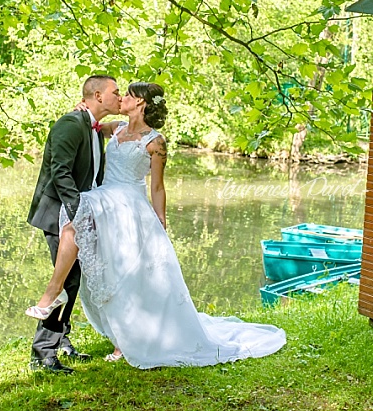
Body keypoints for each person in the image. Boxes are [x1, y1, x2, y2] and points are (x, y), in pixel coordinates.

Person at [27, 82, 286, 369]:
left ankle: (99, 334)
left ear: (140, 103)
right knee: (101, 262)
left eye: (127, 95)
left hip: (130, 206)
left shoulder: (155, 142)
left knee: (127, 273)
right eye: (118, 93)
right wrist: (82, 107)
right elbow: (91, 123)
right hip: (106, 200)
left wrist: (160, 220)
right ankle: (61, 312)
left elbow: (158, 187)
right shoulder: (114, 128)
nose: (122, 98)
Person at [25, 74, 121, 374]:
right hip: (59, 214)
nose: (119, 97)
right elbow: (60, 171)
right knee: (68, 280)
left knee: (74, 278)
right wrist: (77, 211)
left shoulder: (93, 126)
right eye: (115, 92)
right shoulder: (71, 124)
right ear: (98, 96)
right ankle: (43, 353)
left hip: (82, 214)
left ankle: (62, 342)